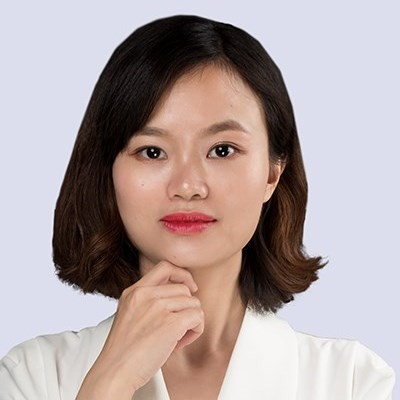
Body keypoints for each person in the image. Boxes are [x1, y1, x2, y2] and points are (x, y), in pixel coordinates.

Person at [0, 14, 395, 400]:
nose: (187, 186)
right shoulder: (33, 376)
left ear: (273, 173)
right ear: (108, 172)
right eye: (152, 151)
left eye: (222, 150)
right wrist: (111, 380)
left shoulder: (352, 381)